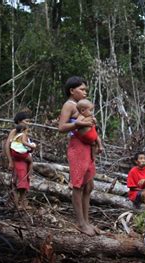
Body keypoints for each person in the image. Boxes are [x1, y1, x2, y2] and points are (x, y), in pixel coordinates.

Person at [58, 76, 104, 236]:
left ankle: (87, 221)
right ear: (72, 90)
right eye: (82, 89)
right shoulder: (69, 105)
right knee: (78, 186)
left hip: (87, 148)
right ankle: (81, 223)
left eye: (86, 90)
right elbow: (62, 127)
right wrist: (78, 123)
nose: (85, 92)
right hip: (77, 148)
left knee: (89, 186)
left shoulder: (83, 106)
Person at [4, 111, 35, 209]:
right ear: (19, 121)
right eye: (26, 121)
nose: (28, 123)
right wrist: (10, 160)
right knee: (18, 181)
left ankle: (23, 203)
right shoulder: (14, 132)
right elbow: (7, 146)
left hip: (23, 159)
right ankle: (17, 204)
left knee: (23, 180)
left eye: (29, 121)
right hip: (17, 160)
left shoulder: (23, 132)